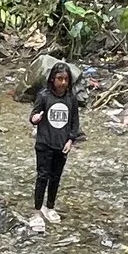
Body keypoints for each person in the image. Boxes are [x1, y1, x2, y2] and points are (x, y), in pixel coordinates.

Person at [28, 62, 84, 227]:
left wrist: (71, 140)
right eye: (59, 79)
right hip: (44, 144)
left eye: (66, 79)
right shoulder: (44, 96)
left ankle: (50, 207)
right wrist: (35, 119)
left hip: (61, 145)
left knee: (55, 178)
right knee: (42, 177)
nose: (63, 83)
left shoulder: (71, 99)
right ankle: (37, 211)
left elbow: (74, 122)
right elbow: (33, 115)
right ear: (52, 79)